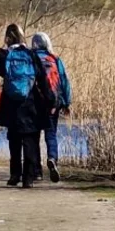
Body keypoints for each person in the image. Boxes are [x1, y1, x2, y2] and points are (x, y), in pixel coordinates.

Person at [0, 26, 54, 188]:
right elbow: (42, 78)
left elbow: (1, 72)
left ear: (7, 38)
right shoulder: (31, 54)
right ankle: (28, 178)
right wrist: (50, 100)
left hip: (10, 102)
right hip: (30, 102)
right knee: (30, 140)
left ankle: (15, 175)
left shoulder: (4, 54)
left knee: (14, 140)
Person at [33, 32, 73, 182]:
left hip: (35, 103)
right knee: (51, 133)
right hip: (52, 103)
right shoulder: (55, 59)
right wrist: (66, 102)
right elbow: (64, 81)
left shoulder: (31, 58)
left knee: (34, 137)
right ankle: (52, 158)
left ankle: (36, 170)